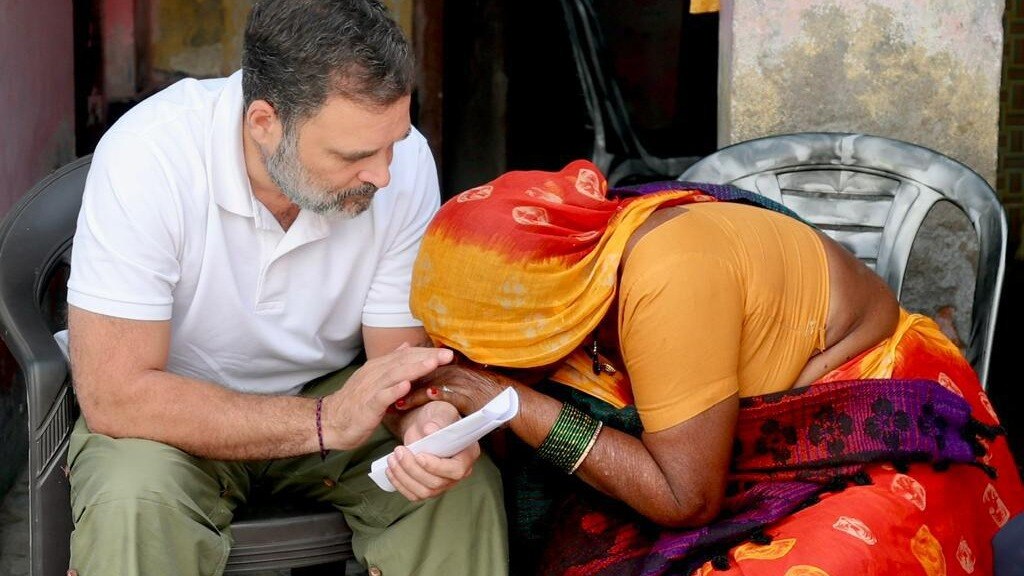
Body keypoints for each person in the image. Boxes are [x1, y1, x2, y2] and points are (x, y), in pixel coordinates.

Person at [401, 159, 1024, 575]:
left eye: (486, 346)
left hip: (875, 429)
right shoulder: (580, 261)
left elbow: (684, 498)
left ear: (546, 312)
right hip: (716, 447)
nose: (472, 361)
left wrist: (508, 399)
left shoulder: (666, 277)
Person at [63, 1, 507, 574]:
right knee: (132, 502)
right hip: (172, 409)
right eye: (354, 155)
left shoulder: (405, 165)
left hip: (339, 393)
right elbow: (115, 394)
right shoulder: (150, 156)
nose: (384, 174)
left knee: (455, 490)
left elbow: (397, 362)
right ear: (264, 124)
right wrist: (325, 421)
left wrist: (428, 422)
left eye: (393, 142)